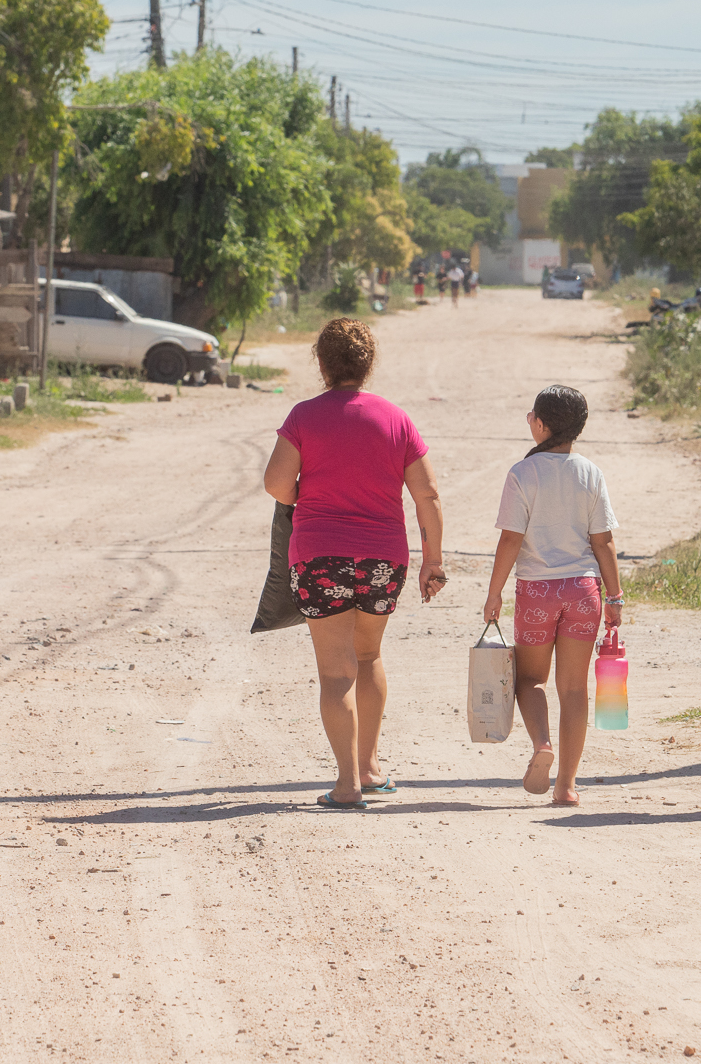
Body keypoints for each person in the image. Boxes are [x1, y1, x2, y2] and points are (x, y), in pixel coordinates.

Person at [262, 317, 446, 810]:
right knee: (368, 656)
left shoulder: (304, 417)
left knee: (335, 671)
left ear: (322, 364)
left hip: (319, 556)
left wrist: (307, 496)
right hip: (383, 560)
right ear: (368, 364)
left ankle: (347, 785)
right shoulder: (396, 419)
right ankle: (370, 768)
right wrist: (433, 560)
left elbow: (276, 483)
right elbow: (427, 494)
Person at [482, 385, 621, 805]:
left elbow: (510, 539)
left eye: (532, 415)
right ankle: (567, 786)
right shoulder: (590, 473)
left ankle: (542, 743)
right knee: (574, 689)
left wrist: (494, 594)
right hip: (583, 590)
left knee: (530, 680)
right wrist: (614, 598)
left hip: (537, 592)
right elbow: (603, 542)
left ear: (541, 425)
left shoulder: (523, 474)